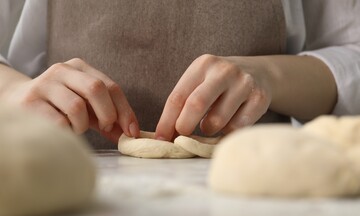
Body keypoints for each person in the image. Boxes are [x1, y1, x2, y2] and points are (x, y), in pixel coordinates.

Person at [0, 0, 359, 148]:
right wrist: (12, 91)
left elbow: (353, 48)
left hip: (257, 209)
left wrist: (271, 76)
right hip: (57, 182)